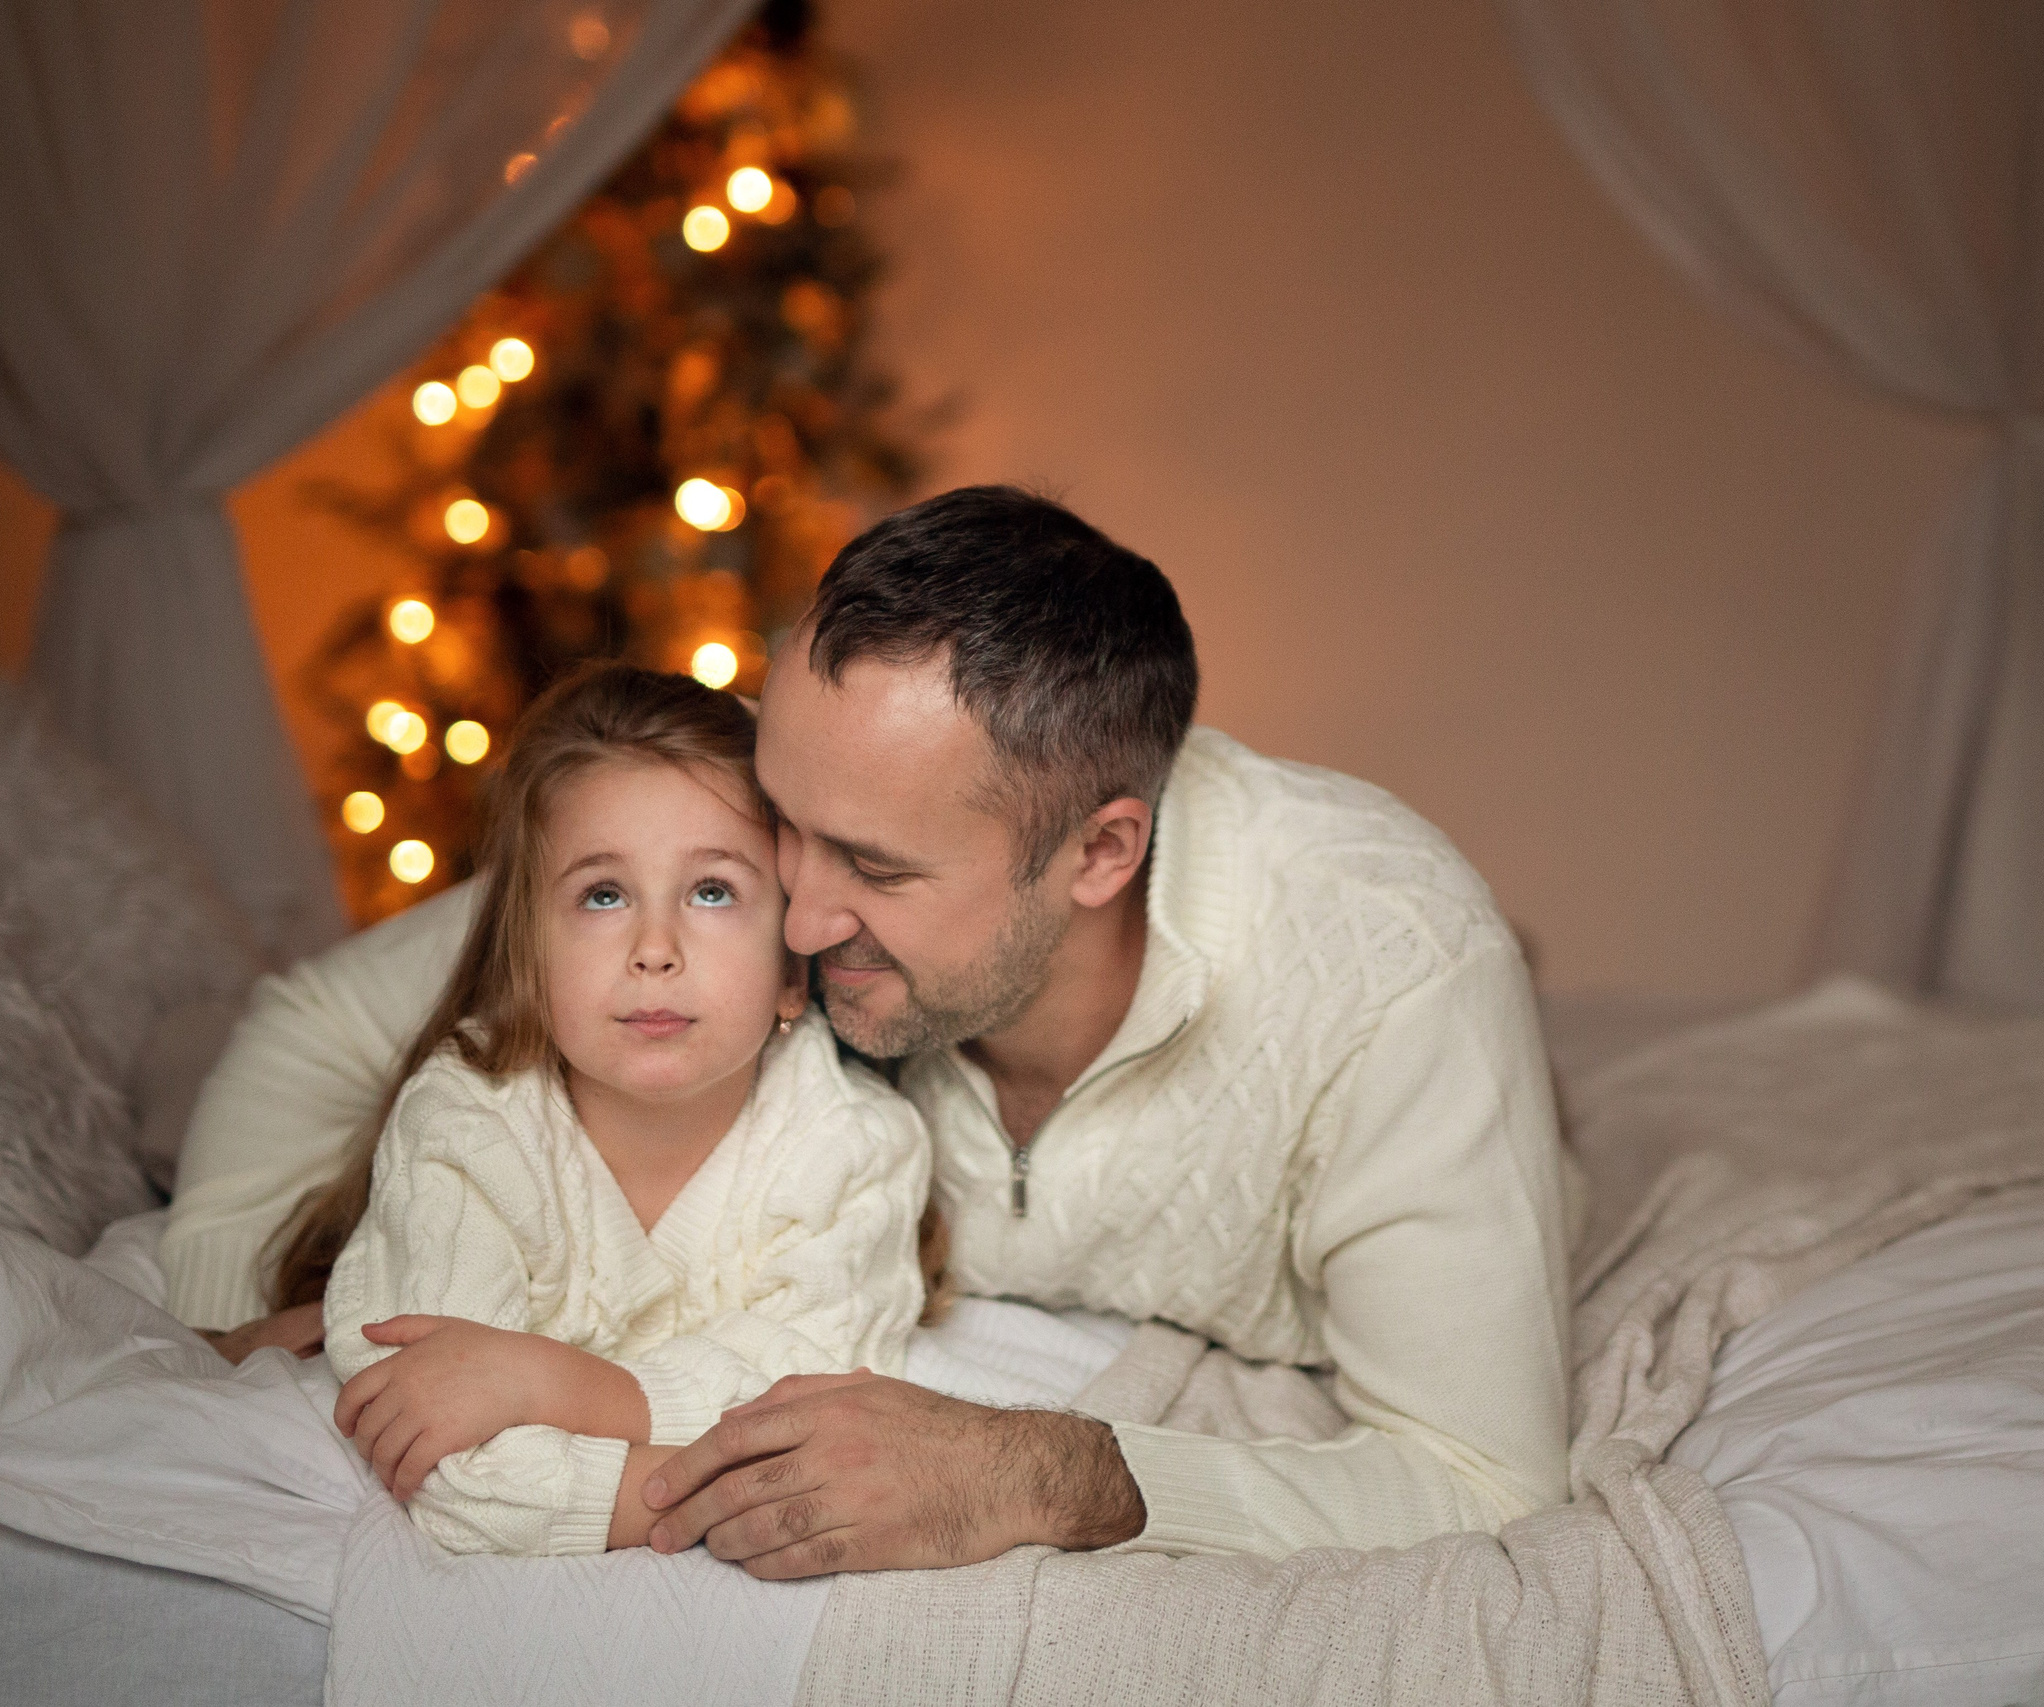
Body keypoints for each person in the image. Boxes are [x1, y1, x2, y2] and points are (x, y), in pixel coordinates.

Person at [171, 485, 1574, 1578]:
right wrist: (219, 1309)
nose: (790, 914)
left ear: (1099, 853)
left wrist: (1040, 1473)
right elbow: (319, 1021)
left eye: (876, 868)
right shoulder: (763, 851)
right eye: (783, 823)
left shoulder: (1393, 972)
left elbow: (1480, 1478)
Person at [268, 663, 933, 1557]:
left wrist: (555, 1384)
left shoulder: (857, 1147)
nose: (654, 948)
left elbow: (813, 1403)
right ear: (528, 961)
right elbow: (460, 1479)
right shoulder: (470, 1126)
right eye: (603, 894)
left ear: (790, 969)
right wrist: (724, 1479)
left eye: (712, 890)